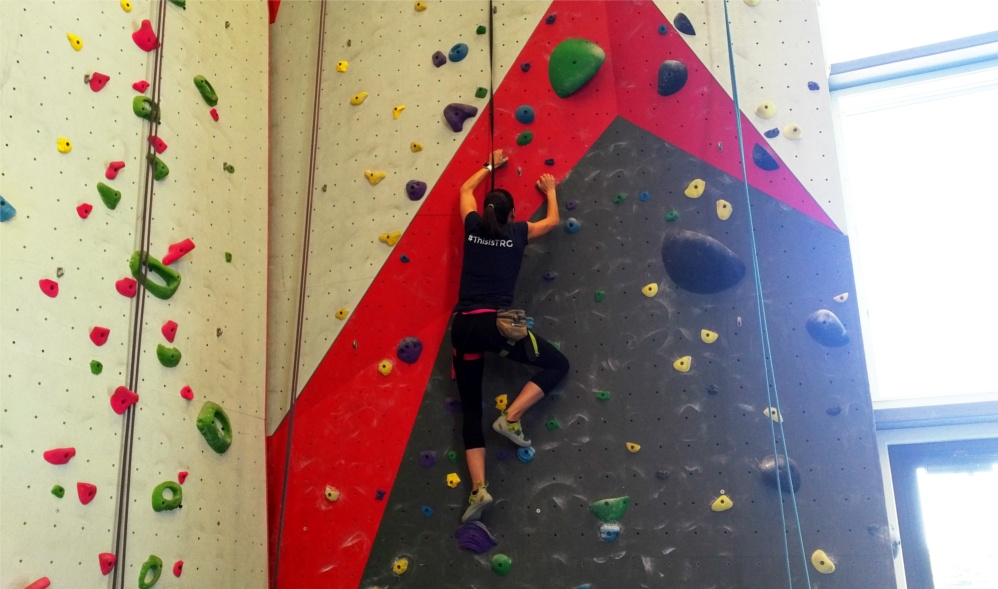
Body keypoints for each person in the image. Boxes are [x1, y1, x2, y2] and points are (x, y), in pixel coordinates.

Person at [451, 148, 570, 523]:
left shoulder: (472, 227)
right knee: (556, 365)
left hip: (463, 329)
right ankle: (512, 416)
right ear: (513, 215)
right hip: (495, 326)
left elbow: (463, 191)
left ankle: (479, 488)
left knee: (471, 410)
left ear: (485, 212)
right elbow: (551, 223)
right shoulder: (518, 232)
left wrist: (489, 166)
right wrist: (550, 190)